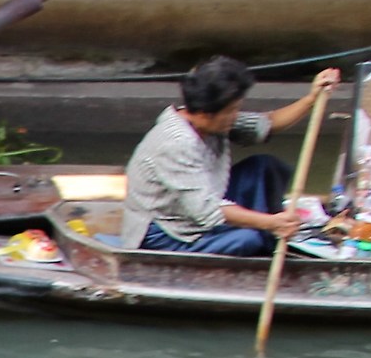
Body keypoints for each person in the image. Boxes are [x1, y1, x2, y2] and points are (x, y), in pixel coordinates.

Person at [122, 57, 342, 255]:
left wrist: (312, 98)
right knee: (248, 240)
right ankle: (271, 233)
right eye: (231, 111)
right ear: (206, 113)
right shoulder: (175, 143)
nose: (234, 116)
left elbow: (265, 124)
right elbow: (208, 210)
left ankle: (275, 232)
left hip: (197, 204)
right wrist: (269, 222)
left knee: (264, 166)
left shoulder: (211, 119)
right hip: (168, 231)